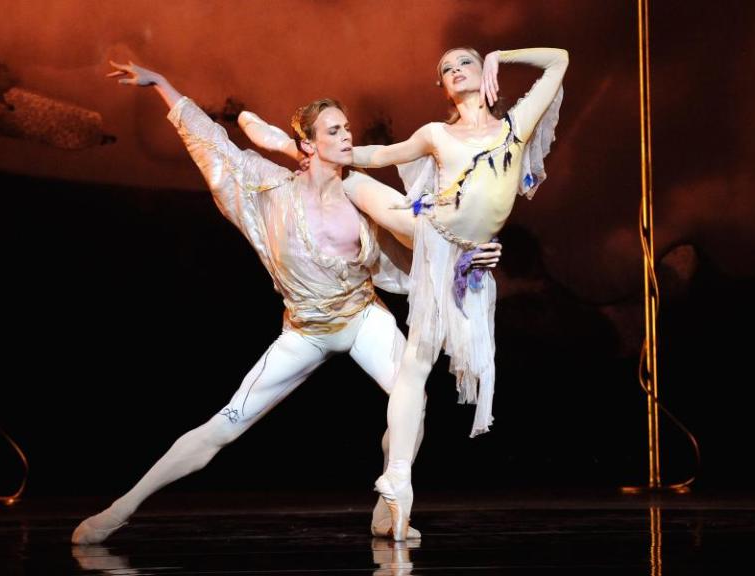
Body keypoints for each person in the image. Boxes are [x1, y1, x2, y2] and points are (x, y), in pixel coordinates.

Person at [70, 60, 501, 544]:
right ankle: (119, 509)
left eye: (347, 128)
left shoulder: (361, 190)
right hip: (305, 332)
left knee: (412, 399)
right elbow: (213, 143)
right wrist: (164, 87)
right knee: (225, 426)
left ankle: (388, 504)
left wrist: (477, 248)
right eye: (334, 130)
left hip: (361, 317)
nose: (346, 136)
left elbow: (429, 225)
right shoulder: (270, 187)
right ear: (309, 144)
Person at [343, 47, 568, 540]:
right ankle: (398, 485)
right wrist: (333, 152)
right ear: (442, 88)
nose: (456, 70)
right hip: (427, 235)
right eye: (446, 68)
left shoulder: (515, 126)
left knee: (420, 365)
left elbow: (560, 60)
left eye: (465, 62)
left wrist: (502, 56)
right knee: (354, 181)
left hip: (469, 258)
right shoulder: (435, 134)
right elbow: (383, 155)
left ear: (482, 73)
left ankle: (392, 497)